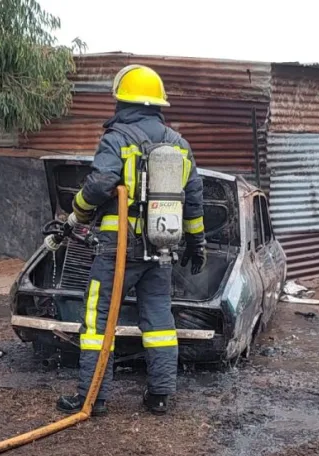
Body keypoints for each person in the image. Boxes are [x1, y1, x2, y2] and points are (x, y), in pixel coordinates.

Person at [55, 65, 206, 416]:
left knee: (97, 319)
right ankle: (160, 395)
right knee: (159, 319)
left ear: (122, 101)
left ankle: (93, 398)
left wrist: (78, 212)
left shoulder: (118, 138)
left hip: (117, 247)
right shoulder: (179, 145)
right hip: (161, 246)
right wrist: (196, 242)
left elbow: (99, 185)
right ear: (157, 104)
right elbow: (194, 199)